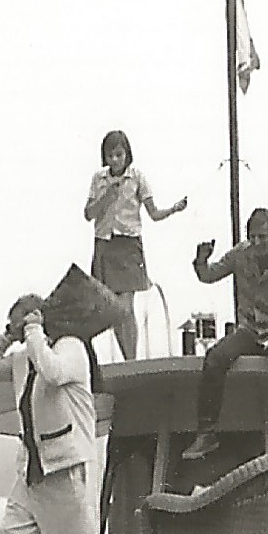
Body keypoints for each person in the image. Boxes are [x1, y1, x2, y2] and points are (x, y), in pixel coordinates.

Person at [0, 281, 112, 534]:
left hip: (62, 466)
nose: (20, 332)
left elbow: (53, 373)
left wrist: (35, 331)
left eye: (22, 324)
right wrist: (7, 336)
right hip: (31, 472)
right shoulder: (23, 359)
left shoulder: (71, 348)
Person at [182, 207, 268, 461]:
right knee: (214, 358)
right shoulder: (240, 255)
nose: (256, 242)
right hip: (251, 332)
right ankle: (206, 434)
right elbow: (209, 275)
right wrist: (201, 260)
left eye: (262, 237)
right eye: (252, 236)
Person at [84, 129, 188, 362]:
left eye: (119, 155)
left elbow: (154, 213)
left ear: (127, 154)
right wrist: (106, 198)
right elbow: (88, 214)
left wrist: (174, 209)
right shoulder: (98, 179)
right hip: (105, 244)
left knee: (125, 307)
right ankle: (123, 358)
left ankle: (132, 360)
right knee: (110, 308)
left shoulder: (137, 178)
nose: (115, 160)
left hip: (128, 245)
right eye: (110, 156)